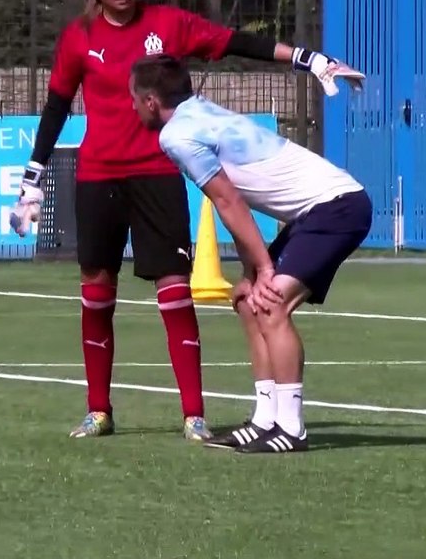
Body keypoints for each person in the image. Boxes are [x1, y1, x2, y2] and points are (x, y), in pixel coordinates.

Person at [9, 0, 363, 443]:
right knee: (96, 295)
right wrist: (33, 176)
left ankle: (195, 415)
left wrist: (305, 58)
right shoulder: (77, 39)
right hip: (98, 177)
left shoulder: (167, 24)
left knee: (175, 293)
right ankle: (98, 410)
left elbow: (236, 41)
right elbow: (56, 106)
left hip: (156, 175)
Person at [129, 53, 372, 454]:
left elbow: (228, 202)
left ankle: (291, 429)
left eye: (135, 98)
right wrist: (249, 273)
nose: (133, 107)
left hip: (338, 207)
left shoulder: (175, 136)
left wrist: (262, 267)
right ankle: (265, 421)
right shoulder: (197, 111)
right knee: (249, 303)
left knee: (272, 304)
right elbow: (234, 202)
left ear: (152, 101)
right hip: (321, 209)